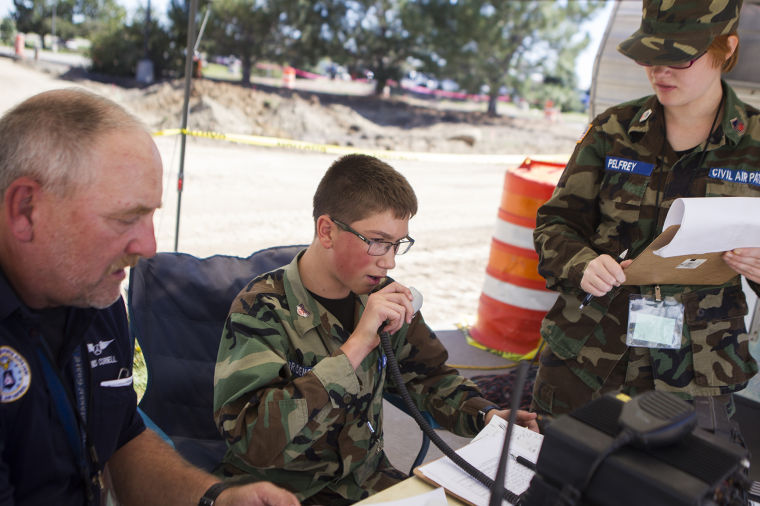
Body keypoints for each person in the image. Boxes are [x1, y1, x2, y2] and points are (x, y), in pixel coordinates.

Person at [0, 89, 299, 506]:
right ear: (25, 208)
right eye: (126, 218)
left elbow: (121, 437)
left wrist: (215, 500)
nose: (149, 246)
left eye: (152, 215)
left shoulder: (95, 296)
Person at [213, 154, 538, 504]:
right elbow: (251, 439)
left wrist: (487, 416)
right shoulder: (262, 308)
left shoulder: (383, 295)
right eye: (378, 241)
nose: (390, 260)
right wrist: (356, 346)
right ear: (327, 231)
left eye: (398, 244)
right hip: (281, 491)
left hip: (366, 482)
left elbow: (430, 378)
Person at [531, 0, 760, 422]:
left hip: (694, 375)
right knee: (556, 477)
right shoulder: (613, 129)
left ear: (726, 48)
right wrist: (582, 264)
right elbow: (556, 223)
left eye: (678, 56)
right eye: (651, 56)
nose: (660, 70)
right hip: (586, 359)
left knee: (672, 488)